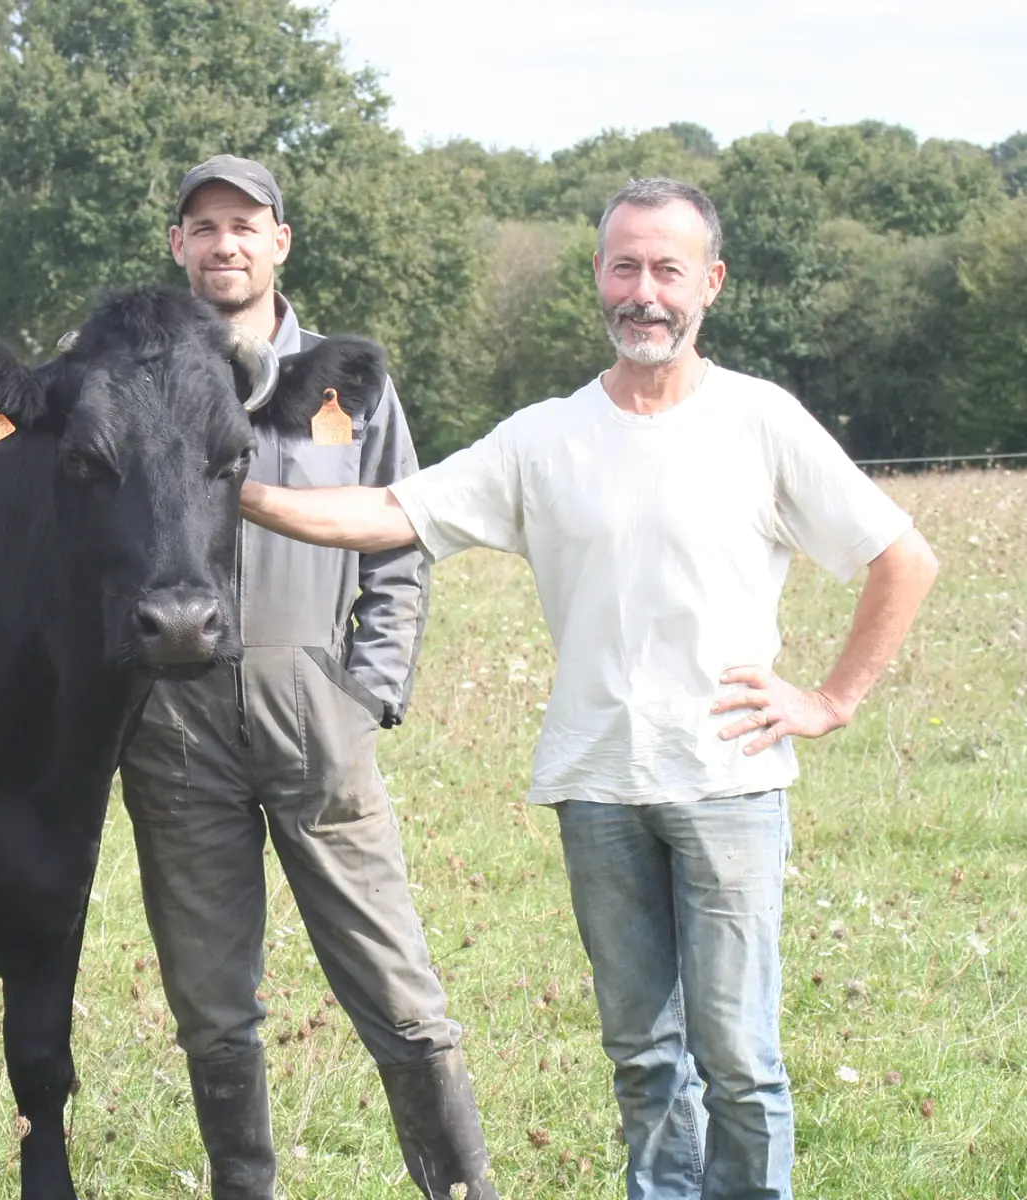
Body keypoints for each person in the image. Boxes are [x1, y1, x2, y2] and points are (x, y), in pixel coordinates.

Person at [239, 177, 940, 1200]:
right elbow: (386, 512)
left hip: (729, 784)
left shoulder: (761, 421)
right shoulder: (543, 438)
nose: (644, 291)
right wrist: (233, 487)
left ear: (711, 281)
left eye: (667, 268)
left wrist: (830, 700)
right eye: (625, 266)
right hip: (597, 786)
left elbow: (903, 557)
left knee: (739, 1062)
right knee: (645, 1058)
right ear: (598, 279)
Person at [119, 155, 497, 1199]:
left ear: (281, 241)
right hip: (174, 727)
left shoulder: (344, 382)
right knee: (208, 997)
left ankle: (461, 1189)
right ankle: (245, 1188)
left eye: (245, 225)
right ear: (177, 246)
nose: (224, 243)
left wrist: (367, 688)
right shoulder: (134, 376)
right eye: (203, 226)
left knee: (396, 982)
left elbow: (403, 539)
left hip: (314, 708)